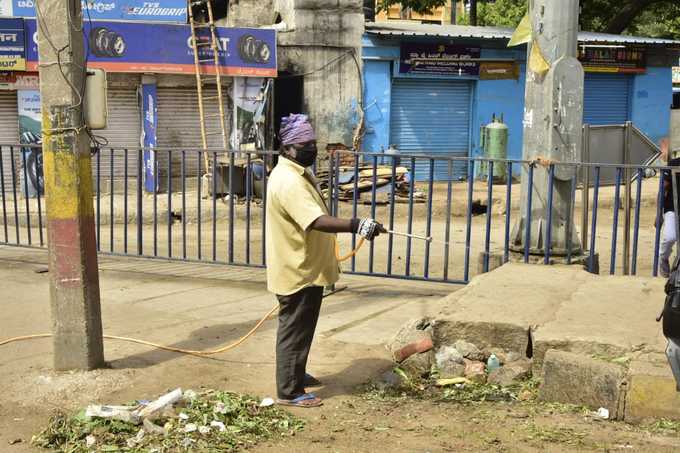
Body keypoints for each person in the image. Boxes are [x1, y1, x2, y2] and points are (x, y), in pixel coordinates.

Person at [266, 114, 385, 408]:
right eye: (306, 144)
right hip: (298, 268)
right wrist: (357, 224)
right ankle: (289, 391)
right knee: (295, 328)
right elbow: (316, 220)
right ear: (289, 148)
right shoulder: (289, 180)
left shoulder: (297, 173)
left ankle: (294, 372)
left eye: (313, 143)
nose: (312, 148)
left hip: (307, 265)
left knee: (303, 326)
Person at [660, 138, 680, 278]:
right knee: (669, 237)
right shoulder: (674, 164)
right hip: (672, 208)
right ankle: (663, 258)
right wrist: (658, 214)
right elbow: (663, 189)